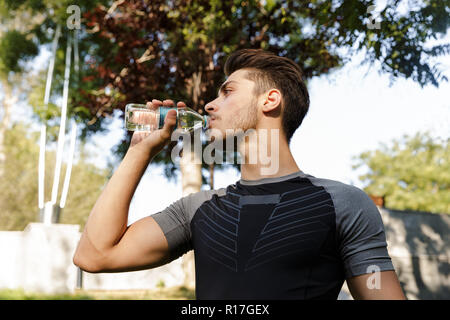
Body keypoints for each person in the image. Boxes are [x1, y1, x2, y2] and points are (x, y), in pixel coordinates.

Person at [73, 49, 406, 300]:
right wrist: (139, 151)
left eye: (227, 92)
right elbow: (94, 255)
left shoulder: (343, 203)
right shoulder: (197, 209)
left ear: (270, 100)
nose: (209, 105)